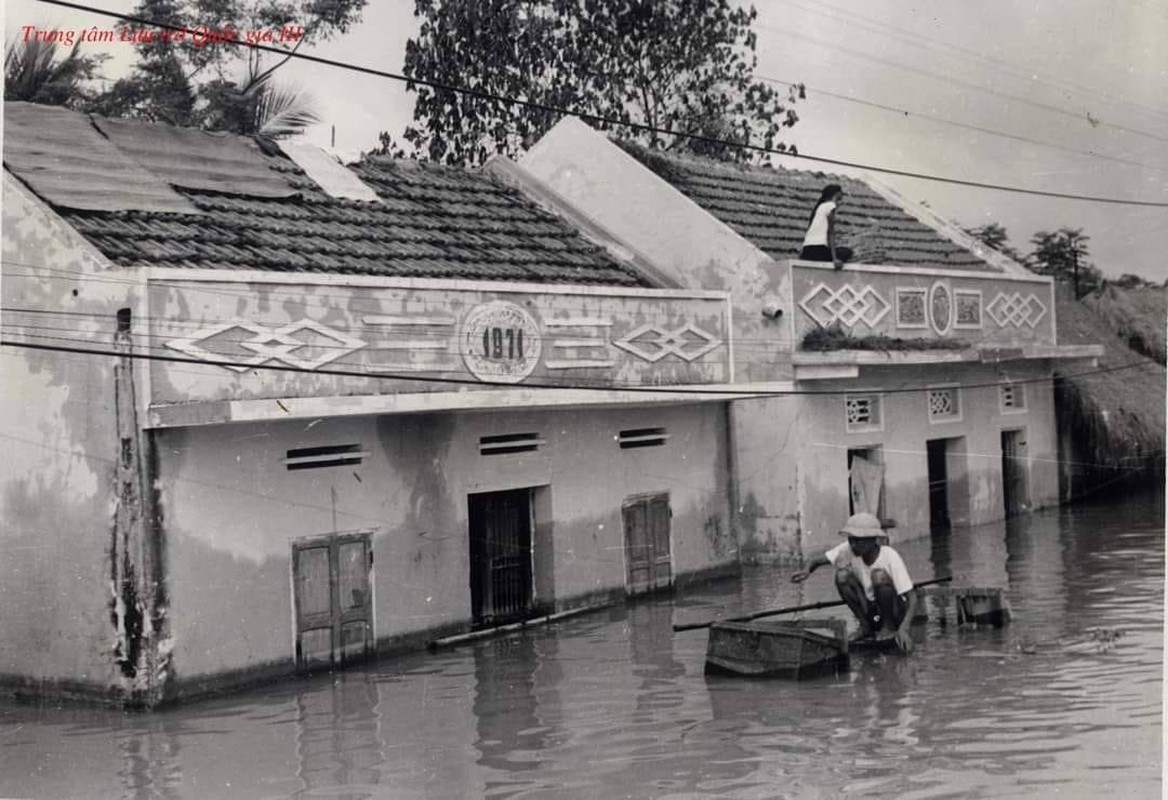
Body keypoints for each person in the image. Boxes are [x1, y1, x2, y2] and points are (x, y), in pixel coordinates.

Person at [790, 512, 918, 652]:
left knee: (878, 575)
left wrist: (904, 629)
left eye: (858, 540)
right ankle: (865, 626)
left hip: (894, 610)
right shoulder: (849, 548)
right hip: (871, 608)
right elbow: (816, 560)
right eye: (851, 540)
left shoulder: (890, 556)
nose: (853, 544)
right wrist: (807, 571)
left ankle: (888, 627)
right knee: (842, 576)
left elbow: (912, 598)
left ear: (872, 540)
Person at [799, 183, 853, 270]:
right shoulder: (831, 205)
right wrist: (835, 259)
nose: (840, 202)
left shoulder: (820, 207)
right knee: (847, 252)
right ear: (836, 195)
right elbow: (831, 233)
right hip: (818, 251)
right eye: (839, 197)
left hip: (807, 252)